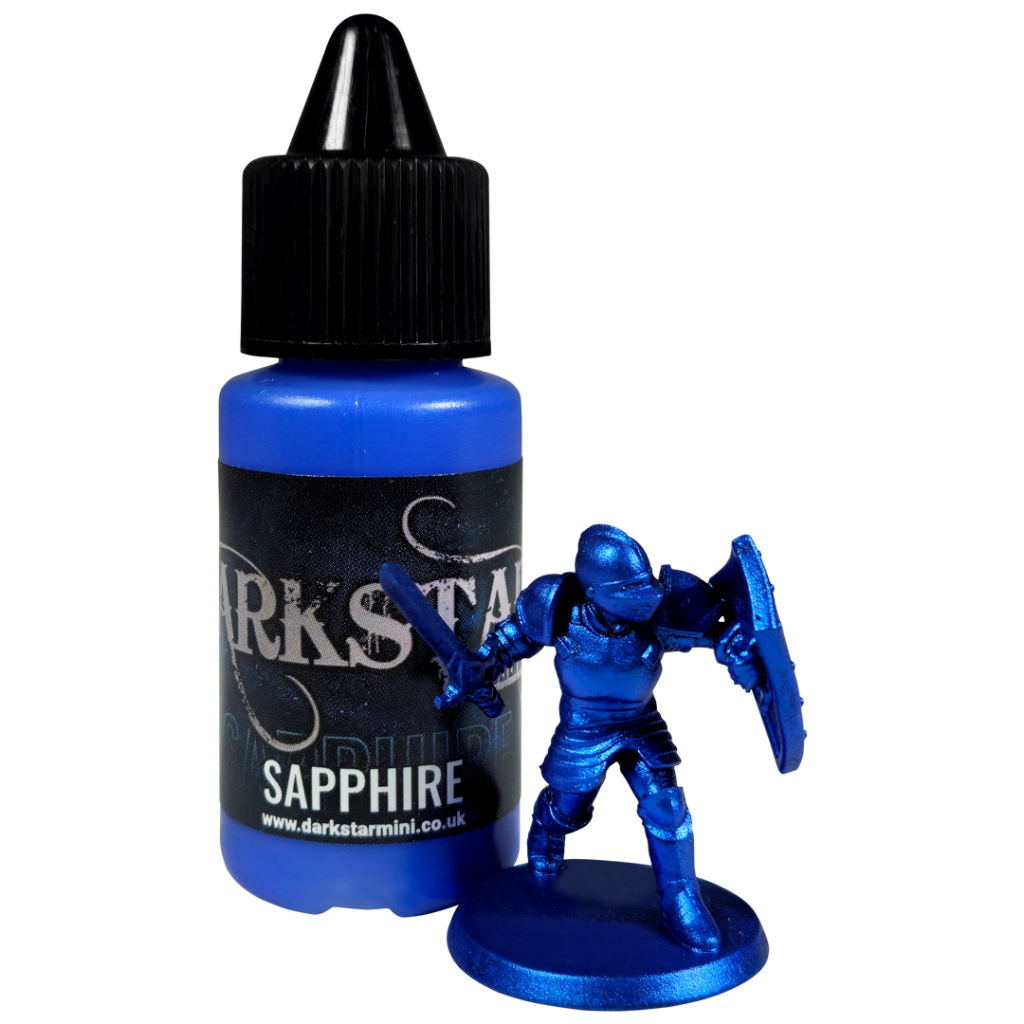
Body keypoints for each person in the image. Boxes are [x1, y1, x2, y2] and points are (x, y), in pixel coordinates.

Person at [460, 523, 763, 953]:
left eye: (644, 586)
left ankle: (680, 897)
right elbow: (510, 641)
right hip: (583, 727)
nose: (645, 598)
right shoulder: (557, 609)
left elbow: (720, 628)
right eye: (628, 591)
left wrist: (741, 655)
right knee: (569, 807)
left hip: (640, 722)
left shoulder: (661, 611)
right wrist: (481, 665)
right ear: (593, 592)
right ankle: (547, 831)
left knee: (668, 807)